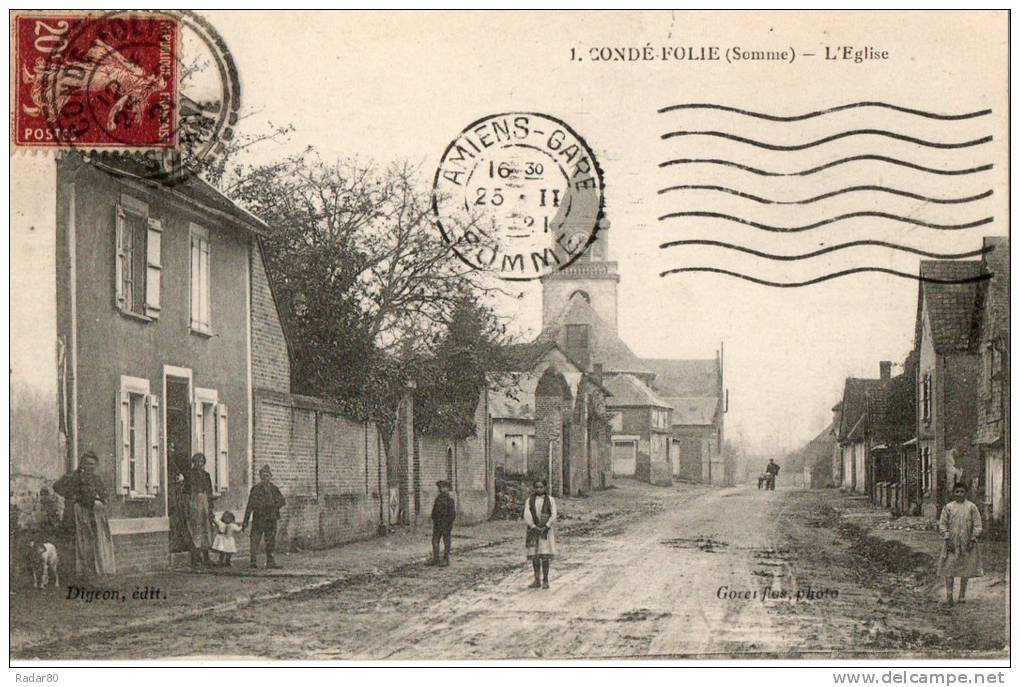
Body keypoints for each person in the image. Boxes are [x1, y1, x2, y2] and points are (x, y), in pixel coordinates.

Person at [52, 451, 116, 577]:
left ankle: (94, 570)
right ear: (82, 464)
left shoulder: (96, 479)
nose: (90, 467)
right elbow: (57, 486)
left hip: (94, 517)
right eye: (87, 463)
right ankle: (78, 573)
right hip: (78, 516)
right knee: (79, 543)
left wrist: (101, 500)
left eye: (92, 464)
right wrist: (71, 496)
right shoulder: (74, 477)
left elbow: (104, 495)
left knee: (93, 543)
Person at [937, 483, 983, 604]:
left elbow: (977, 525)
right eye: (957, 492)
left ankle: (962, 595)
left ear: (966, 493)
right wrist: (947, 539)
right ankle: (949, 595)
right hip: (951, 543)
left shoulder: (971, 507)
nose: (959, 494)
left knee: (965, 568)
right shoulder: (948, 507)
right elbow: (943, 524)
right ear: (953, 493)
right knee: (949, 568)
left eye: (962, 492)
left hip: (967, 543)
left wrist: (973, 539)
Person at [243, 465, 286, 569]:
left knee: (270, 539)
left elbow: (282, 500)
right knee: (255, 539)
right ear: (260, 477)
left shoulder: (274, 489)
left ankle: (270, 561)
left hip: (271, 518)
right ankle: (253, 561)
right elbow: (250, 505)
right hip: (259, 518)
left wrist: (275, 506)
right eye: (263, 476)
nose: (265, 478)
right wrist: (245, 521)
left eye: (267, 475)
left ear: (270, 476)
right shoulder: (256, 489)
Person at [182, 453, 216, 572]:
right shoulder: (189, 475)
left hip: (204, 502)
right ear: (193, 462)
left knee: (206, 529)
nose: (199, 464)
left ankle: (206, 557)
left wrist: (211, 508)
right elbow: (185, 492)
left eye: (202, 461)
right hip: (193, 502)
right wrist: (188, 506)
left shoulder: (206, 475)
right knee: (195, 529)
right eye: (197, 461)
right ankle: (195, 558)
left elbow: (210, 492)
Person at [523, 479, 557, 589]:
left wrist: (547, 526)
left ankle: (545, 580)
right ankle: (536, 579)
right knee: (535, 556)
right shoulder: (529, 500)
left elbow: (553, 514)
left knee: (545, 555)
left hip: (546, 531)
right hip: (533, 531)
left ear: (545, 487)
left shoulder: (550, 500)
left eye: (541, 487)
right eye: (536, 487)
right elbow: (527, 514)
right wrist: (533, 526)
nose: (539, 489)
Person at [428, 480, 456, 566]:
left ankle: (446, 559)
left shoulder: (450, 500)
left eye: (443, 487)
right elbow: (434, 511)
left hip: (446, 524)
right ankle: (435, 559)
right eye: (440, 487)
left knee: (446, 541)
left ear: (447, 489)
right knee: (434, 541)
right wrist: (434, 518)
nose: (441, 489)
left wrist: (448, 523)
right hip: (437, 524)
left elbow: (452, 514)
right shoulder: (438, 499)